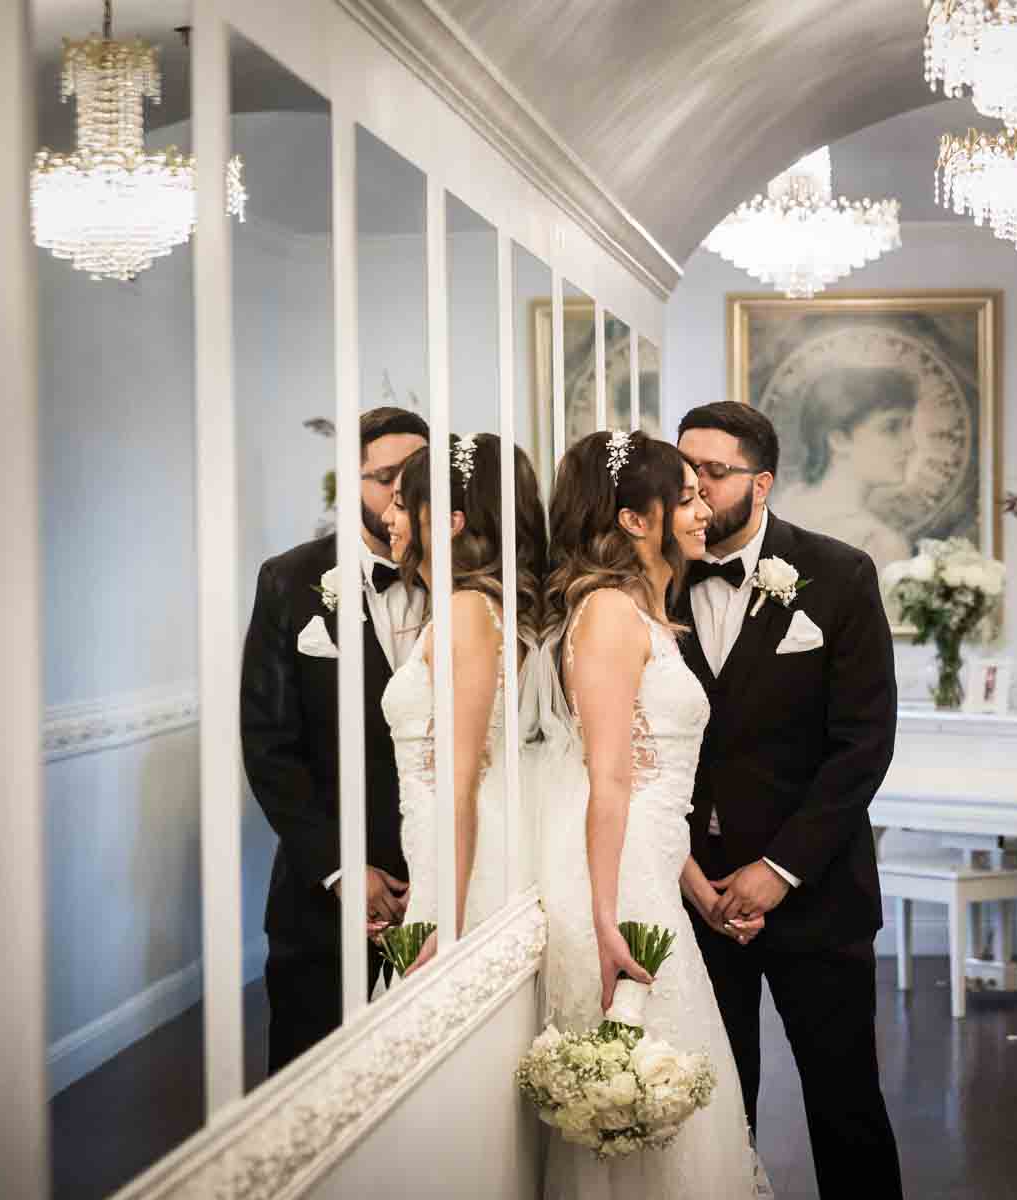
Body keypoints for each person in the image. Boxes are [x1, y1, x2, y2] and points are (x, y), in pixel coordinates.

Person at [675, 400, 904, 1197]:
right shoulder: (652, 578)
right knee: (710, 1110)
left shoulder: (839, 574)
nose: (695, 487)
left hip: (817, 896)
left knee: (846, 1108)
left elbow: (863, 744)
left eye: (715, 471)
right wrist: (683, 872)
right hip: (690, 898)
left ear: (762, 482)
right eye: (685, 470)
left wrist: (779, 867)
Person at [536, 430, 764, 1199]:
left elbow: (648, 779)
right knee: (644, 1080)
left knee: (676, 1078)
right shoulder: (606, 613)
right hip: (617, 883)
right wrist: (605, 918)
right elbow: (607, 779)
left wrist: (698, 887)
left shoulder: (645, 614)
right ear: (638, 520)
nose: (703, 510)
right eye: (688, 496)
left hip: (651, 873)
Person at [240, 407, 428, 1075]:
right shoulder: (288, 582)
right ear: (348, 481)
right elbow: (269, 746)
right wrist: (344, 868)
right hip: (322, 899)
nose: (402, 493)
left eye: (416, 475)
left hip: (450, 885)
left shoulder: (475, 584)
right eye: (384, 478)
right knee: (311, 1089)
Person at [377, 434, 547, 977]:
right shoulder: (466, 608)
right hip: (439, 848)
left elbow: (462, 775)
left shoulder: (470, 612)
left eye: (402, 503)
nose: (388, 516)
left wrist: (445, 921)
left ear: (449, 522)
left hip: (465, 865)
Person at [772, 366, 918, 572]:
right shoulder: (881, 545)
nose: (910, 444)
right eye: (891, 428)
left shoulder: (783, 507)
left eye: (908, 426)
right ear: (839, 440)